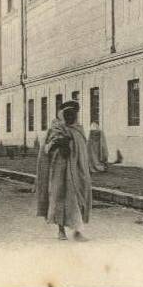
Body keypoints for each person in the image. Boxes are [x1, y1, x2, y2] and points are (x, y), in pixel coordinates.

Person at [35, 100, 92, 241]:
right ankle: (61, 231)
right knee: (59, 197)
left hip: (77, 171)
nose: (70, 118)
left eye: (73, 115)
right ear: (62, 115)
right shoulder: (56, 129)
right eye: (67, 115)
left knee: (79, 198)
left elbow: (83, 151)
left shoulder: (79, 129)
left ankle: (77, 232)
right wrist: (58, 143)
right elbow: (46, 149)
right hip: (60, 170)